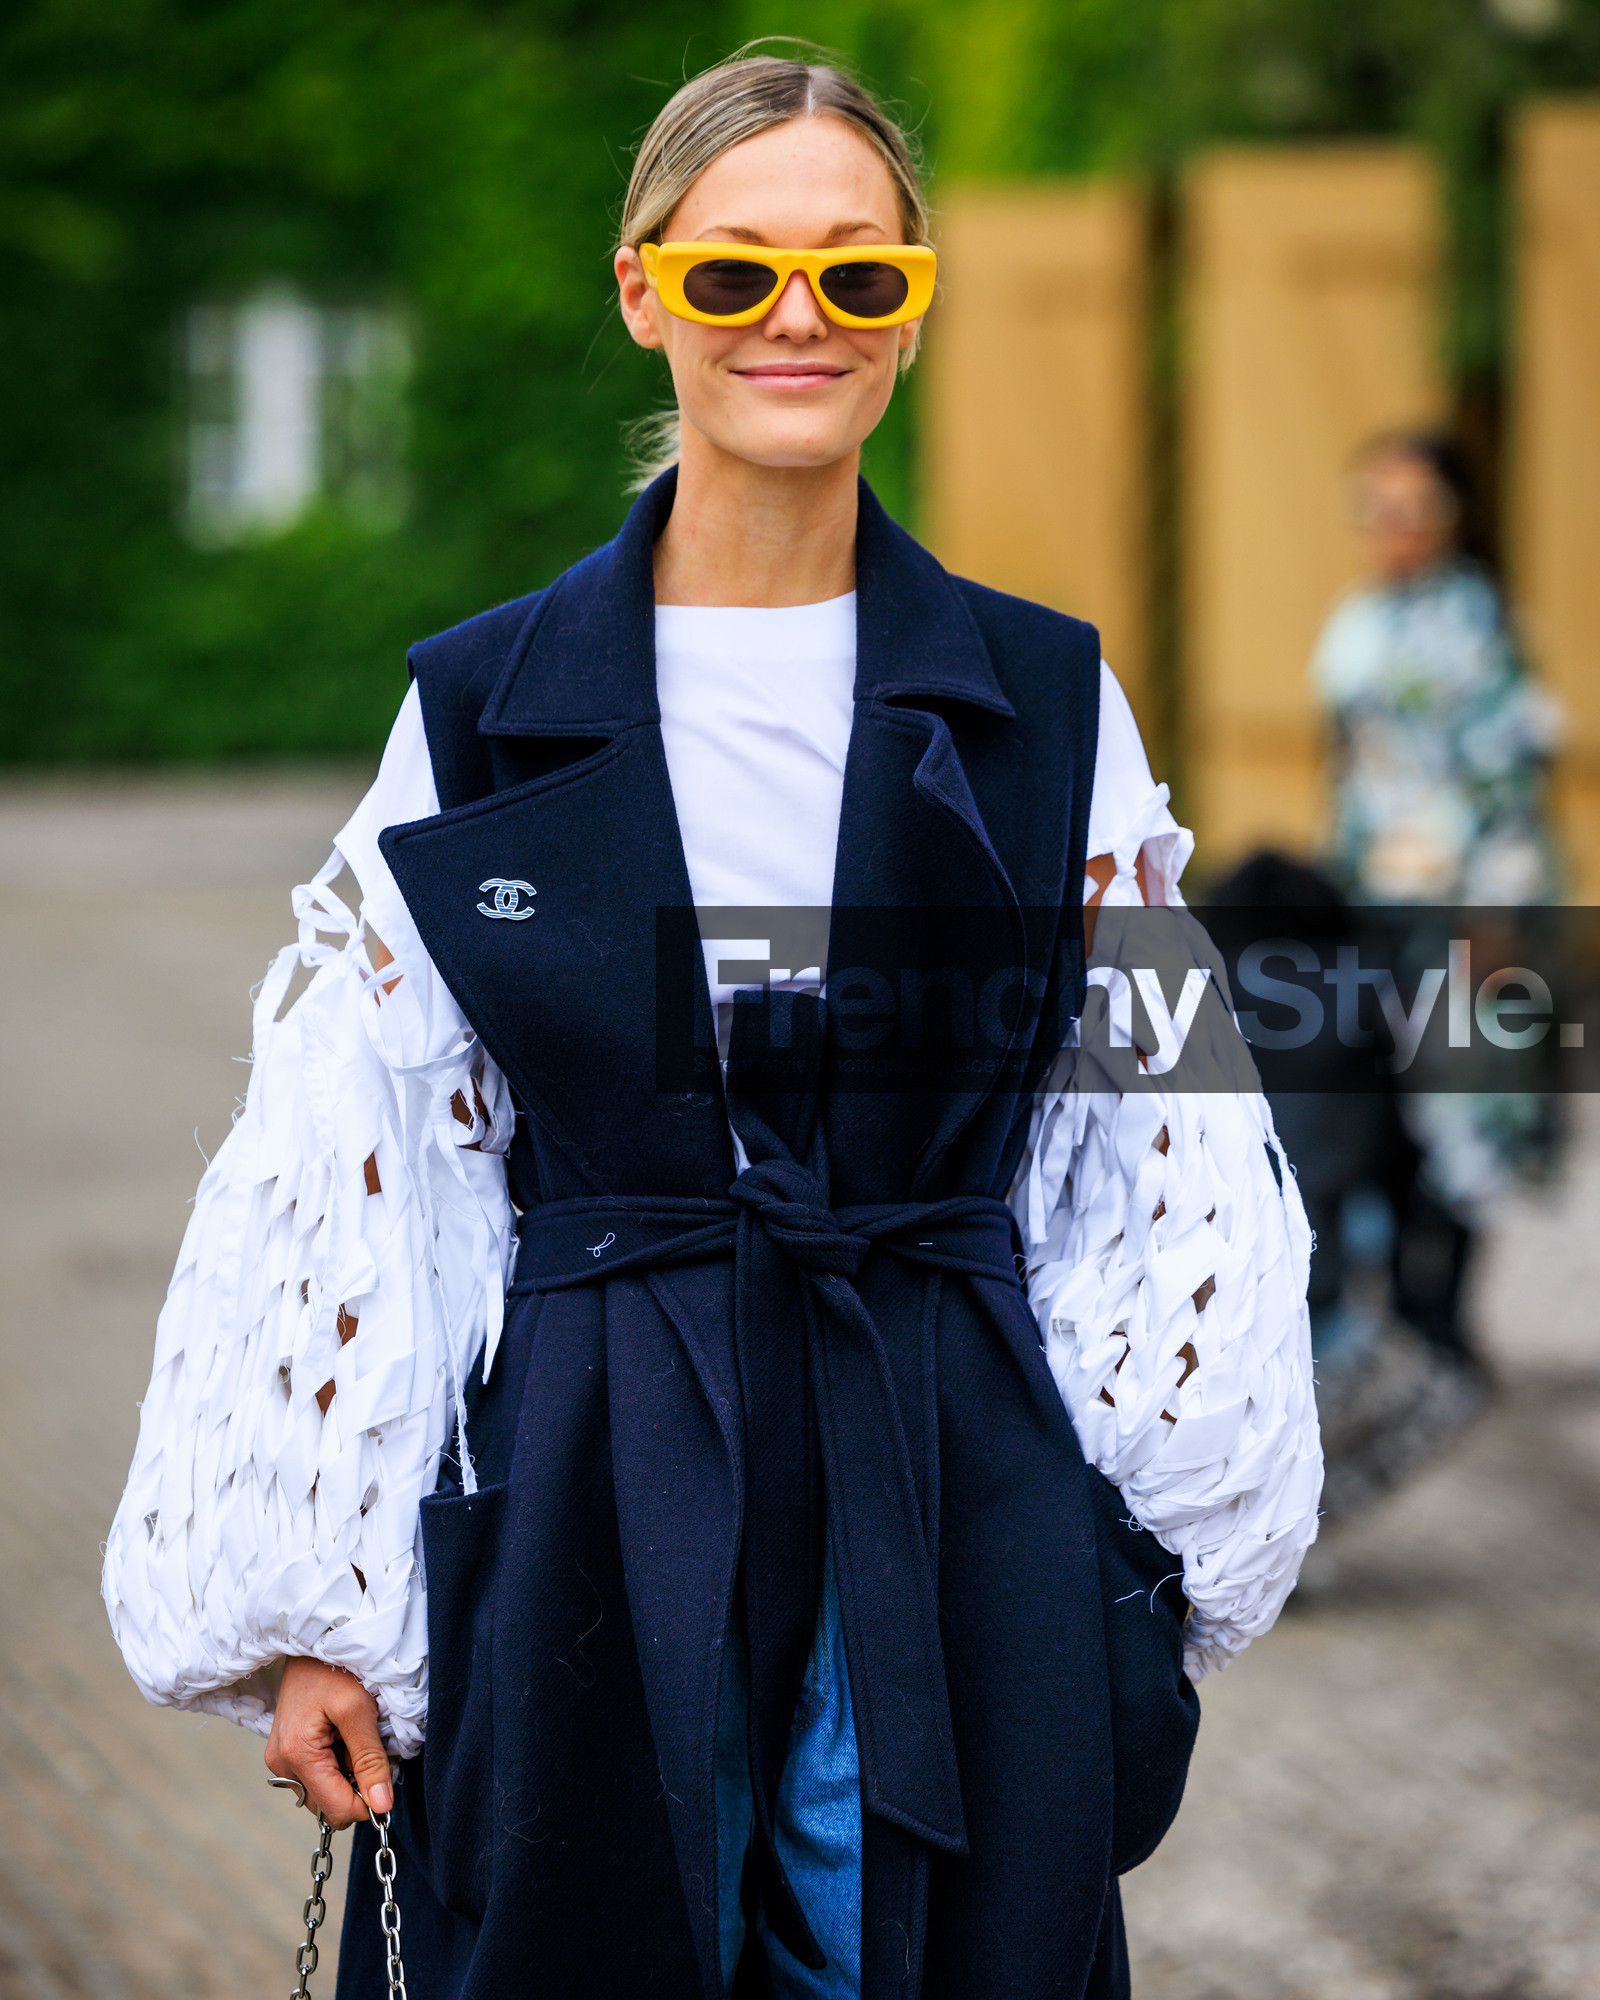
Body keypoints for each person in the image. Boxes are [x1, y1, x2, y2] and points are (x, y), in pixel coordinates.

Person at [103, 54, 1320, 2000]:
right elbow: (364, 1150)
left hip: (945, 1468)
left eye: (855, 277)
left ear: (910, 312)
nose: (794, 321)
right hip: (589, 1480)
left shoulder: (1042, 699)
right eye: (738, 270)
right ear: (642, 286)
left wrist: (1140, 1554)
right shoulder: (486, 708)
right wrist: (313, 1604)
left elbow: (1165, 1130)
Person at [1313, 431, 1562, 1360]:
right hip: (1370, 899)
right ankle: (1390, 1306)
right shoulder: (1357, 620)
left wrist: (1499, 919)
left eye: (1411, 509)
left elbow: (1509, 783)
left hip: (1460, 906)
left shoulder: (1481, 623)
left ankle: (1444, 1309)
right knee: (1375, 1098)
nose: (1392, 528)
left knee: (1463, 1097)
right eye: (1375, 508)